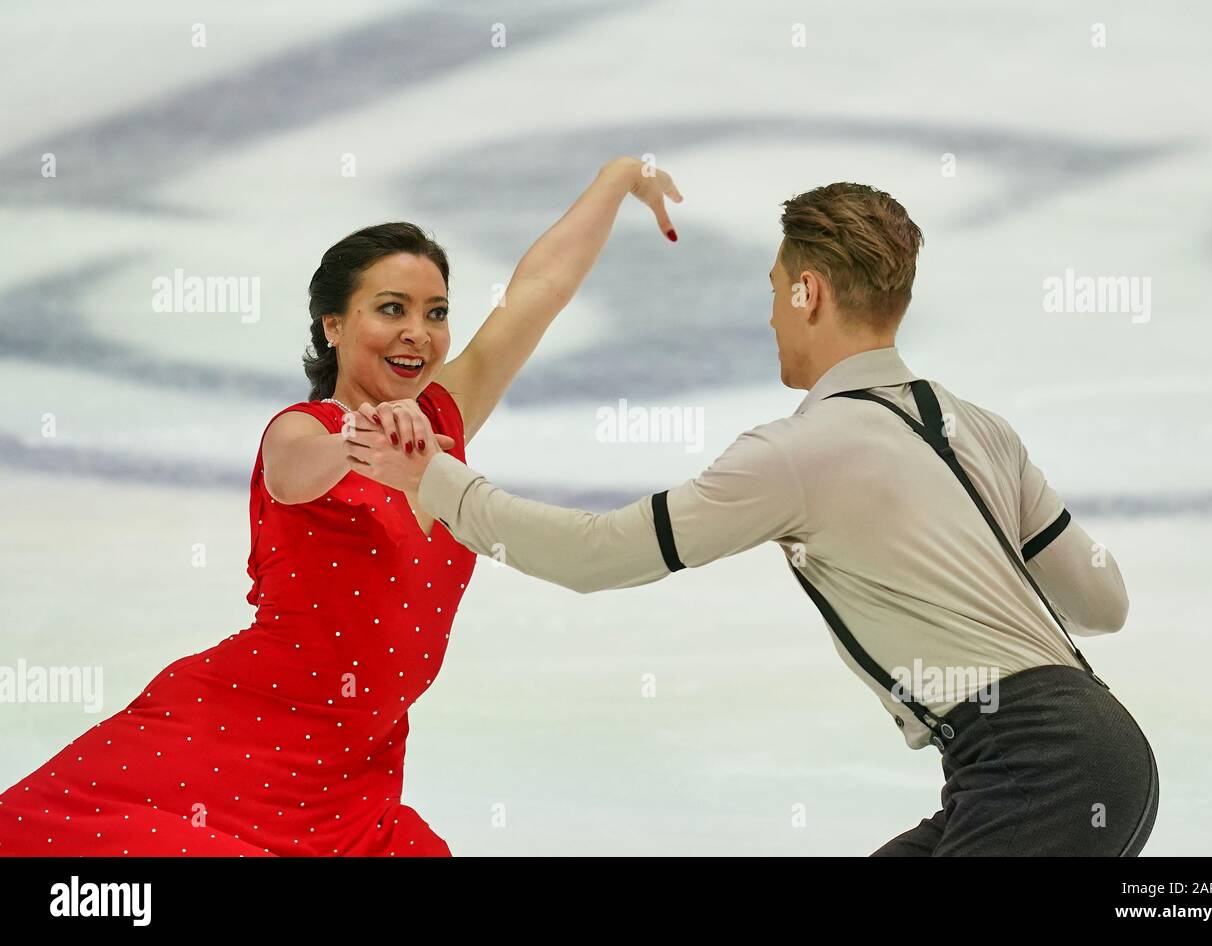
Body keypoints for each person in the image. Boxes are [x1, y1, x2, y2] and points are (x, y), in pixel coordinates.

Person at [355, 181, 1159, 856]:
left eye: (776, 289)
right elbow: (1104, 605)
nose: (772, 313)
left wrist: (436, 482)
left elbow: (594, 555)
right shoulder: (980, 426)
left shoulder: (795, 453)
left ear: (809, 292)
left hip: (1037, 767)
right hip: (1090, 751)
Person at [0, 156, 683, 857]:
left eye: (436, 312)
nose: (419, 331)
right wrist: (361, 435)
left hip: (352, 781)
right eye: (392, 309)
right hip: (223, 753)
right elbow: (294, 475)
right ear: (333, 324)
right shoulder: (303, 431)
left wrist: (620, 176)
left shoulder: (444, 417)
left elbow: (541, 287)